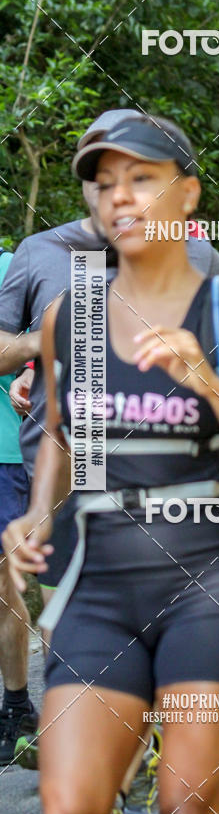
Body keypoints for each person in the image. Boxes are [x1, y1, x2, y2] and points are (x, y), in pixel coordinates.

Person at [3, 113, 219, 814]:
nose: (119, 198)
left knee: (186, 805)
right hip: (99, 582)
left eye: (141, 179)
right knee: (72, 804)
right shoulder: (67, 315)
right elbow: (60, 428)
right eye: (104, 184)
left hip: (208, 580)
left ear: (189, 195)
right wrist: (36, 513)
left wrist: (209, 383)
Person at [0, 249, 38, 766]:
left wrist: (29, 371)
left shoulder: (14, 266)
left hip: (11, 454)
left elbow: (60, 338)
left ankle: (17, 707)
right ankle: (18, 707)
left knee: (11, 585)